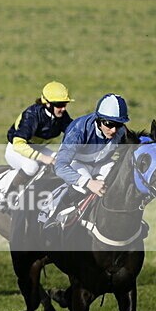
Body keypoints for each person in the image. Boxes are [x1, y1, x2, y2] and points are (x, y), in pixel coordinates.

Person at [47, 93, 129, 226]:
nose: (114, 130)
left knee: (117, 183)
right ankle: (56, 220)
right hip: (78, 163)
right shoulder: (78, 130)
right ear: (98, 119)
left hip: (103, 163)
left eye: (118, 125)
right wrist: (88, 183)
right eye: (109, 124)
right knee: (83, 189)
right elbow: (60, 166)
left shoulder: (119, 130)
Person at [0, 81, 74, 204]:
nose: (63, 108)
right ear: (48, 104)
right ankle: (8, 195)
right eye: (59, 105)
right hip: (16, 150)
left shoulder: (61, 116)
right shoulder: (32, 116)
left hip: (37, 148)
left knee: (61, 161)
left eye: (65, 104)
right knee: (32, 167)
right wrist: (42, 157)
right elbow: (18, 144)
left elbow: (73, 132)